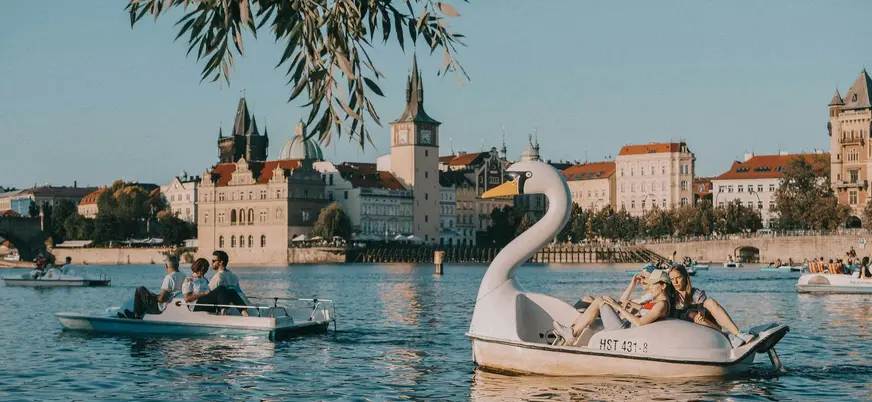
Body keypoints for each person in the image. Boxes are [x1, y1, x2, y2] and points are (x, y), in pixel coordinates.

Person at [553, 270, 675, 347]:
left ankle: (570, 335)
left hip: (624, 332)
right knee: (588, 319)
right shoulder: (657, 302)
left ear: (663, 286)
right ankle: (567, 337)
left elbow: (640, 323)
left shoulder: (662, 304)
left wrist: (619, 307)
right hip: (624, 326)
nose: (650, 287)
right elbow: (645, 312)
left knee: (599, 301)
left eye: (653, 284)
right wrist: (632, 305)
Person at [668, 265, 753, 348]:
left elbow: (701, 308)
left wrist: (701, 313)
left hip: (703, 322)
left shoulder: (697, 293)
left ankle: (738, 334)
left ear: (685, 277)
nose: (675, 282)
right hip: (687, 327)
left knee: (710, 302)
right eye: (672, 279)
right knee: (692, 314)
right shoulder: (671, 296)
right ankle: (727, 337)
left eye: (678, 278)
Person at [183, 258, 249, 316]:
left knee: (231, 291)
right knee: (221, 288)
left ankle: (245, 313)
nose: (205, 271)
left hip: (207, 303)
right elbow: (187, 298)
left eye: (206, 269)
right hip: (196, 305)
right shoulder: (189, 280)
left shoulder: (204, 279)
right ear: (198, 267)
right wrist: (204, 293)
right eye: (204, 269)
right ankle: (223, 312)